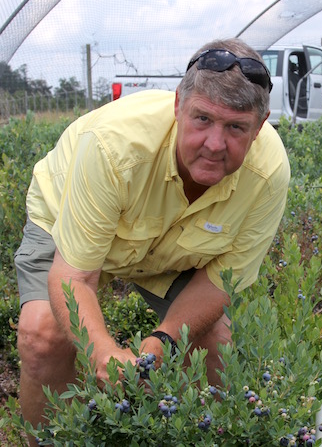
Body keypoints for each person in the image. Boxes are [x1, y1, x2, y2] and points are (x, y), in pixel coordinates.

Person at [14, 37, 290, 444]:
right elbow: (73, 275)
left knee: (216, 342)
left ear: (260, 125)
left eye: (236, 127)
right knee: (43, 335)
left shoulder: (268, 174)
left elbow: (219, 282)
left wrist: (162, 341)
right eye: (202, 120)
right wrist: (103, 352)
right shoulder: (115, 145)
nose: (215, 145)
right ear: (178, 104)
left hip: (176, 250)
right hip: (68, 216)